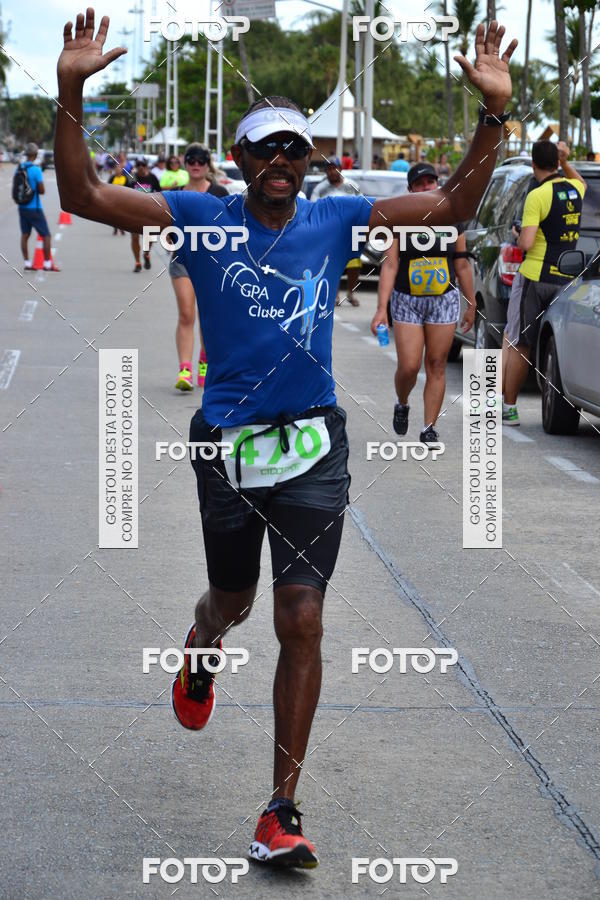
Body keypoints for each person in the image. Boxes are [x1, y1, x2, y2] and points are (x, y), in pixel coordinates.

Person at [55, 9, 515, 868]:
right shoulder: (198, 212)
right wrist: (72, 89)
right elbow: (82, 196)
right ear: (239, 161)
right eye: (266, 150)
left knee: (300, 616)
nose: (281, 164)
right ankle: (202, 646)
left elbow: (451, 203)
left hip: (314, 446)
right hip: (226, 443)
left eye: (296, 151)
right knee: (231, 602)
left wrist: (492, 114)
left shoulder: (336, 219)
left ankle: (280, 809)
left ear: (312, 163)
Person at [371, 162, 476, 443]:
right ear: (410, 190)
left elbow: (462, 264)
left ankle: (429, 427)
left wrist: (472, 303)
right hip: (407, 300)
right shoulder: (398, 220)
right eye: (420, 184)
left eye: (431, 182)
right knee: (409, 366)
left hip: (443, 300)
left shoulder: (453, 220)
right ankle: (402, 402)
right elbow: (390, 265)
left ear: (438, 184)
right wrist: (381, 309)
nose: (427, 187)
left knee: (437, 363)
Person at [503, 140, 585, 425]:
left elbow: (526, 241)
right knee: (557, 343)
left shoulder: (537, 196)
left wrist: (517, 235)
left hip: (535, 277)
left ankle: (510, 408)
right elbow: (580, 179)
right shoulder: (575, 191)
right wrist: (565, 160)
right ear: (557, 162)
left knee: (521, 343)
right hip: (566, 279)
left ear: (533, 164)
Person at [169, 143, 228, 391]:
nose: (195, 164)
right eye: (191, 160)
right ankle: (185, 369)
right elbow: (165, 227)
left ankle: (205, 360)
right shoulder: (175, 193)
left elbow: (232, 228)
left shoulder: (220, 193)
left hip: (212, 264)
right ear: (184, 163)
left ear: (208, 164)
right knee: (186, 314)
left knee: (208, 316)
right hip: (182, 260)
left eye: (201, 160)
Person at [311, 157, 362, 306]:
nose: (332, 171)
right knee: (333, 263)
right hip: (329, 233)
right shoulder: (320, 188)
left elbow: (362, 205)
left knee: (354, 263)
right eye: (328, 168)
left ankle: (351, 293)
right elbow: (314, 209)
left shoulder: (352, 186)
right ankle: (334, 295)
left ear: (341, 168)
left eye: (335, 167)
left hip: (350, 230)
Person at [15, 142, 59, 272]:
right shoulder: (36, 170)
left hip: (22, 207)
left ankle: (28, 263)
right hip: (34, 207)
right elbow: (42, 190)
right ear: (34, 155)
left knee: (25, 234)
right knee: (46, 235)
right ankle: (46, 264)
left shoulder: (19, 168)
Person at [127, 157, 161, 272]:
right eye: (138, 165)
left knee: (150, 237)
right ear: (136, 167)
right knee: (135, 237)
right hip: (134, 212)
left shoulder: (152, 178)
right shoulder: (132, 178)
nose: (141, 167)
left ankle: (146, 253)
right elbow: (125, 193)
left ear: (147, 166)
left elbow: (159, 193)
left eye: (143, 164)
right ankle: (137, 263)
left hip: (149, 212)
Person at [107, 159, 130, 234]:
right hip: (114, 199)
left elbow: (129, 188)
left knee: (122, 215)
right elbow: (108, 187)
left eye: (119, 169)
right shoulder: (112, 178)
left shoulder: (125, 178)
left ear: (121, 170)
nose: (117, 170)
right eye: (116, 169)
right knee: (115, 215)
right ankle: (115, 228)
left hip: (123, 199)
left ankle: (122, 228)